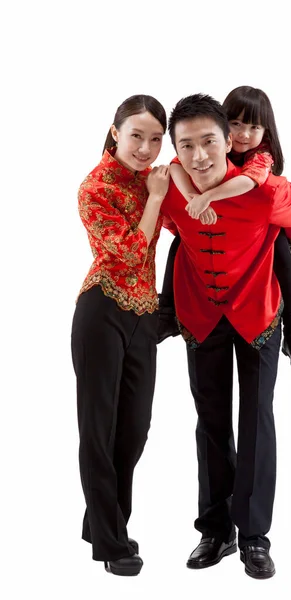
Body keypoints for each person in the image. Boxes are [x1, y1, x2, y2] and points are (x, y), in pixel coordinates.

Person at [160, 94, 291, 579]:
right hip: (200, 315)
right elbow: (158, 220)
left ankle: (254, 536)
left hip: (257, 316)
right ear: (176, 151)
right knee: (209, 421)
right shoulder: (171, 189)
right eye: (187, 146)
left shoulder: (265, 189)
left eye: (210, 141)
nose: (200, 155)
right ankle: (215, 530)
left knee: (256, 423)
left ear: (230, 142)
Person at [71, 94, 170, 576]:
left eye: (156, 139)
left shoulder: (152, 180)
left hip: (143, 317)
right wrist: (155, 197)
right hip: (102, 310)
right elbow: (130, 253)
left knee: (134, 429)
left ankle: (100, 520)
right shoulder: (95, 187)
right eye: (137, 135)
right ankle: (111, 542)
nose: (147, 148)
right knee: (98, 429)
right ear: (115, 132)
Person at [159, 86, 291, 369]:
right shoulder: (193, 154)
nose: (244, 135)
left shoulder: (261, 160)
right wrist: (191, 197)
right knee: (181, 241)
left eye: (254, 127)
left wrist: (209, 197)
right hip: (203, 311)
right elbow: (177, 166)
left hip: (257, 300)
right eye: (237, 124)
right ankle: (166, 312)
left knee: (276, 244)